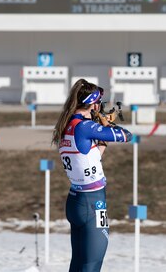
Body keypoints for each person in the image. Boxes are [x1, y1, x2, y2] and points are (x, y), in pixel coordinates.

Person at [52, 79, 132, 272]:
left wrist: (101, 127)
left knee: (78, 264)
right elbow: (126, 135)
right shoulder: (85, 127)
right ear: (93, 104)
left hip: (77, 200)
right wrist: (106, 125)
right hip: (93, 202)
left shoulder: (67, 124)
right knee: (92, 265)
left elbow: (92, 156)